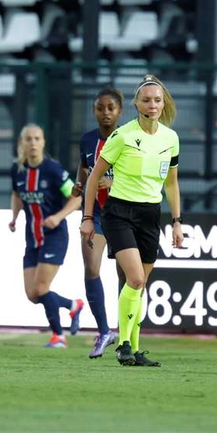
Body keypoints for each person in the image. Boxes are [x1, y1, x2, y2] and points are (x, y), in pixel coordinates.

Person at [80, 74, 184, 367]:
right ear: (137, 104)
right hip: (119, 213)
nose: (152, 105)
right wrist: (87, 217)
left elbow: (171, 183)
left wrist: (177, 221)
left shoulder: (171, 138)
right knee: (135, 279)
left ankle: (135, 350)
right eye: (146, 100)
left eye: (157, 100)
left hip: (151, 214)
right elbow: (94, 177)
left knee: (140, 285)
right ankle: (123, 344)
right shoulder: (123, 136)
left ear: (164, 104)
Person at [9, 123, 84, 348]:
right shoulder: (17, 170)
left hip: (54, 236)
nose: (33, 143)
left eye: (37, 139)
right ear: (21, 143)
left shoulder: (53, 169)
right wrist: (14, 217)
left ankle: (58, 336)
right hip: (32, 238)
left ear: (43, 142)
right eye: (28, 139)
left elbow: (76, 198)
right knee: (32, 294)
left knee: (41, 288)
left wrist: (58, 217)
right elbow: (16, 194)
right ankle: (73, 305)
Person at [73, 87, 127, 359]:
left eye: (110, 108)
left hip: (122, 214)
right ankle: (104, 331)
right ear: (94, 111)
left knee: (125, 276)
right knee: (91, 270)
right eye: (100, 108)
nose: (105, 113)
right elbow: (84, 167)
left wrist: (113, 182)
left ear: (120, 111)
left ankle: (125, 334)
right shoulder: (87, 140)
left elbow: (138, 175)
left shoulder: (128, 138)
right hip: (94, 214)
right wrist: (79, 184)